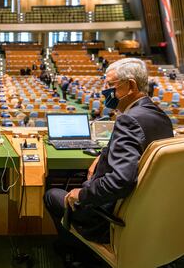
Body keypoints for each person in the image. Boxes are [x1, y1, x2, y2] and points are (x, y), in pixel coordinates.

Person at [44, 58, 174, 264]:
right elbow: (139, 147)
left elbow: (119, 181)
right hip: (149, 217)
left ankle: (78, 253)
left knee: (53, 195)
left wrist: (82, 194)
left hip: (108, 218)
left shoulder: (128, 120)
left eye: (110, 86)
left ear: (130, 86)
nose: (105, 92)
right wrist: (104, 153)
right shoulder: (160, 116)